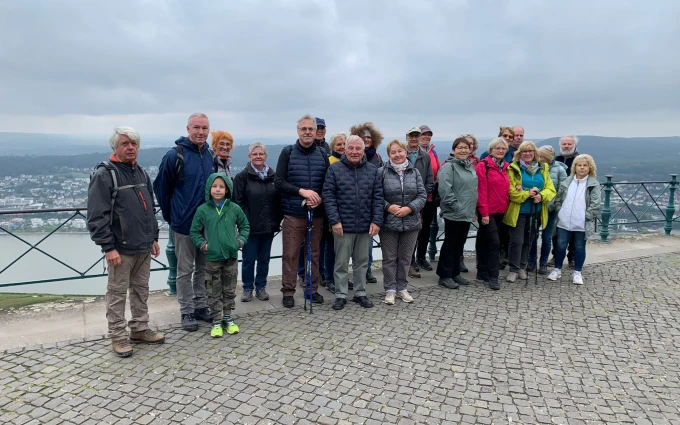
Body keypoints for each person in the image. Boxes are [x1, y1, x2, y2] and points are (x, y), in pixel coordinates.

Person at [87, 126, 164, 357]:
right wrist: (108, 247)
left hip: (143, 245)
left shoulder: (140, 172)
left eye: (134, 144)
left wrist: (154, 237)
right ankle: (118, 337)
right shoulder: (104, 174)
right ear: (115, 147)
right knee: (117, 294)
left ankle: (140, 329)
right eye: (125, 144)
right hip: (120, 248)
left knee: (141, 290)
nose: (131, 148)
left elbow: (149, 208)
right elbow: (96, 215)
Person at [153, 113, 215, 331]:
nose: (200, 132)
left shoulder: (209, 154)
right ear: (188, 129)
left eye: (204, 128)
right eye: (196, 127)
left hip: (206, 225)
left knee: (203, 268)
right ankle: (186, 311)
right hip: (184, 224)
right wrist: (173, 216)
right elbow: (161, 188)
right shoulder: (174, 155)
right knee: (184, 270)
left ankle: (200, 306)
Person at [275, 114, 330, 308]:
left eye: (310, 129)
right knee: (290, 254)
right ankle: (288, 292)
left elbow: (327, 183)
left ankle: (311, 290)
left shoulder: (323, 154)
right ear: (298, 131)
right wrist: (302, 192)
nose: (307, 132)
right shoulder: (287, 152)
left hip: (316, 214)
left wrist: (319, 198)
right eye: (303, 129)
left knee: (314, 253)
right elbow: (279, 182)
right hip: (292, 214)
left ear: (316, 132)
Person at [323, 136, 384, 310]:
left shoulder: (372, 170)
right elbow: (329, 196)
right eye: (351, 148)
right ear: (346, 149)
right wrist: (334, 220)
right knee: (341, 263)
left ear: (363, 150)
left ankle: (360, 292)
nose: (354, 152)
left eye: (358, 148)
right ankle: (341, 295)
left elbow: (378, 198)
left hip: (365, 225)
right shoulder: (334, 169)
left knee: (362, 262)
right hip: (342, 226)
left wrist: (376, 221)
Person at [190, 173, 250, 337]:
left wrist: (240, 242)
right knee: (213, 290)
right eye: (214, 186)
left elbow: (245, 226)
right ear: (209, 189)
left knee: (229, 289)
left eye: (221, 187)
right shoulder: (203, 210)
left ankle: (228, 318)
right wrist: (203, 245)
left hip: (231, 256)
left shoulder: (234, 209)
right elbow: (194, 231)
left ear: (227, 189)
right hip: (212, 258)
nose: (218, 189)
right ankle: (216, 320)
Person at [232, 142, 282, 302]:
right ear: (249, 157)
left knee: (264, 259)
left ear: (265, 157)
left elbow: (279, 200)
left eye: (261, 154)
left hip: (268, 226)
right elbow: (237, 202)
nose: (258, 157)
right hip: (250, 228)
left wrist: (277, 219)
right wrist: (244, 223)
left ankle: (261, 287)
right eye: (255, 154)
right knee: (248, 259)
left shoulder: (274, 177)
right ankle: (247, 288)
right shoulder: (242, 177)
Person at [379, 140, 427, 304]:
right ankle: (390, 289)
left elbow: (422, 195)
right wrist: (388, 207)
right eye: (393, 152)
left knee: (405, 258)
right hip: (388, 222)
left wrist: (410, 208)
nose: (397, 155)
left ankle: (402, 288)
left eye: (400, 151)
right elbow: (377, 197)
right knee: (389, 258)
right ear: (389, 155)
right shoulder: (382, 172)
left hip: (411, 221)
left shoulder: (414, 172)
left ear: (406, 152)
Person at [503, 141, 556, 283]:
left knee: (529, 240)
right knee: (516, 241)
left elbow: (551, 189)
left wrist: (541, 196)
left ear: (535, 153)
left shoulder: (543, 168)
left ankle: (522, 267)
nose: (527, 154)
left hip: (536, 211)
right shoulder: (513, 168)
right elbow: (511, 192)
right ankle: (513, 269)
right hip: (518, 211)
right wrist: (527, 193)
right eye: (524, 151)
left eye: (530, 151)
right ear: (519, 153)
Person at [548, 154, 601, 285]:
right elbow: (559, 198)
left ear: (590, 168)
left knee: (579, 247)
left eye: (585, 165)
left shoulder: (593, 184)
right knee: (560, 246)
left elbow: (596, 204)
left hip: (581, 223)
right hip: (564, 221)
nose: (582, 168)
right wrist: (560, 211)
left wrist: (585, 217)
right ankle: (557, 269)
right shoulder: (567, 181)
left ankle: (577, 272)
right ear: (575, 167)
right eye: (579, 165)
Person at [436, 137, 478, 289]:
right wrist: (457, 207)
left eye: (466, 148)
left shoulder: (469, 166)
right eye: (460, 147)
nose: (463, 150)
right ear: (454, 150)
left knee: (459, 244)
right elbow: (445, 190)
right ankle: (444, 275)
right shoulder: (449, 167)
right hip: (454, 213)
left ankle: (454, 273)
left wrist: (471, 209)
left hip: (467, 213)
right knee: (450, 244)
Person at [297, 117, 331, 284]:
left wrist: (322, 198)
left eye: (321, 128)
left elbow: (328, 179)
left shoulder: (326, 149)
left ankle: (319, 274)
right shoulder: (296, 149)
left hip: (321, 205)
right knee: (304, 243)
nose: (318, 131)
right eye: (315, 128)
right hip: (302, 205)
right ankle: (303, 274)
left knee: (319, 243)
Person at [350, 122, 384, 283]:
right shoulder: (354, 155)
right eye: (363, 137)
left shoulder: (377, 157)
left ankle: (367, 269)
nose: (367, 139)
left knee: (368, 242)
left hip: (370, 204)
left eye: (369, 137)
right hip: (354, 204)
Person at [474, 137, 510, 291]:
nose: (500, 151)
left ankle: (481, 271)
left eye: (503, 148)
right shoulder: (484, 166)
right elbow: (480, 190)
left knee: (483, 239)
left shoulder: (506, 167)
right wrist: (484, 212)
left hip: (501, 210)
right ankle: (493, 276)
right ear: (491, 150)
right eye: (497, 148)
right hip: (487, 211)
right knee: (495, 242)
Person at [527, 145, 568, 274]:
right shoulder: (536, 167)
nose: (540, 159)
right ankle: (531, 261)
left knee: (547, 237)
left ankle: (543, 262)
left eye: (543, 157)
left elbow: (563, 190)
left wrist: (556, 205)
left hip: (551, 209)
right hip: (537, 207)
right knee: (532, 235)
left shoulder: (560, 170)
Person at [404, 126, 434, 279]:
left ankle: (417, 259)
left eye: (417, 136)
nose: (414, 139)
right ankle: (408, 261)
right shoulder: (401, 153)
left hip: (421, 201)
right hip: (404, 201)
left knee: (420, 231)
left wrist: (423, 197)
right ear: (407, 137)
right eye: (412, 136)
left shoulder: (425, 156)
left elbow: (429, 179)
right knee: (407, 232)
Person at [414, 125, 441, 274]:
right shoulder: (413, 152)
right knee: (415, 228)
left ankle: (421, 257)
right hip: (416, 196)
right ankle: (410, 259)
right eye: (424, 134)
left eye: (429, 134)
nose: (427, 137)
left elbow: (436, 173)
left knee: (426, 228)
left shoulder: (433, 152)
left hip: (430, 196)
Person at [324, 133, 348, 293]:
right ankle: (329, 278)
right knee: (331, 248)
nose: (342, 147)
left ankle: (342, 278)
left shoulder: (349, 162)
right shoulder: (329, 161)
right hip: (332, 213)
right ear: (333, 146)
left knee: (345, 250)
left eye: (344, 144)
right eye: (339, 144)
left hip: (347, 213)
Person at [553, 135, 581, 268]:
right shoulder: (555, 159)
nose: (567, 146)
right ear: (560, 145)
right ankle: (556, 255)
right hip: (558, 199)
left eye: (570, 144)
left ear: (575, 145)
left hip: (575, 199)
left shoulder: (580, 159)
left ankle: (572, 257)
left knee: (575, 229)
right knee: (556, 229)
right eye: (564, 144)